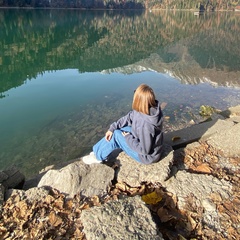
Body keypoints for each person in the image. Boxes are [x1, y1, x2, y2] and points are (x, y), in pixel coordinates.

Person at [82, 83, 164, 164]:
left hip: (146, 157)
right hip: (142, 141)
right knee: (117, 130)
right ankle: (97, 151)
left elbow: (144, 150)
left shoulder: (146, 125)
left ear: (139, 100)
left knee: (117, 135)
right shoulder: (147, 108)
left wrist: (128, 137)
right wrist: (112, 128)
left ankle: (98, 157)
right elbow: (128, 118)